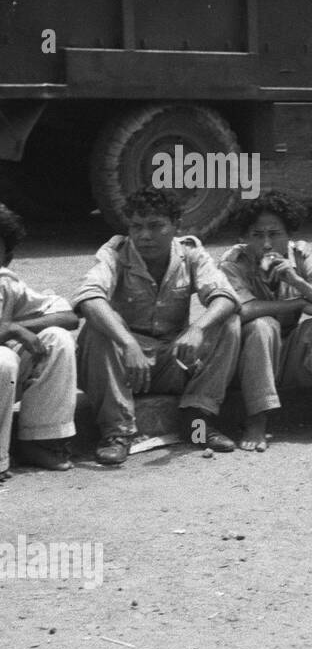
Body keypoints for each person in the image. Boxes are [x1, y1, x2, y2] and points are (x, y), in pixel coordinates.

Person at [73, 189, 241, 466]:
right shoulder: (115, 252)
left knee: (229, 322)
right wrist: (127, 342)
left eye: (155, 226)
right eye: (136, 227)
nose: (144, 235)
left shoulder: (190, 252)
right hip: (126, 363)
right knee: (95, 329)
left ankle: (197, 421)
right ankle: (117, 433)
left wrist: (198, 329)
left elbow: (226, 297)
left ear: (175, 226)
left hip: (171, 359)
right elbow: (89, 297)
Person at [220, 192, 312, 452]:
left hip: (288, 356)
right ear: (244, 238)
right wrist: (299, 303)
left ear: (288, 235)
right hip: (247, 359)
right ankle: (256, 420)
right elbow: (243, 309)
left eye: (274, 234)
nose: (267, 244)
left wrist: (298, 282)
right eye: (257, 235)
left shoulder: (301, 256)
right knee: (262, 325)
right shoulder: (233, 263)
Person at [0, 204, 78, 479]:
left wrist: (16, 327)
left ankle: (38, 439)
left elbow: (69, 317)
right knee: (4, 360)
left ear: (6, 257)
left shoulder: (6, 285)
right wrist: (9, 331)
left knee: (57, 339)